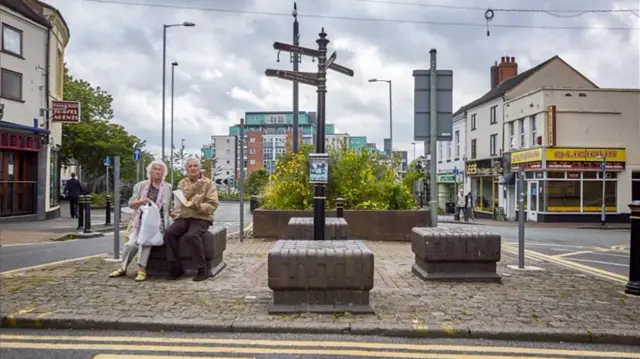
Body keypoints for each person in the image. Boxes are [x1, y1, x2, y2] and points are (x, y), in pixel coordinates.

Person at [108, 160, 172, 281]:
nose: (157, 171)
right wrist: (142, 201)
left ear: (164, 173)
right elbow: (131, 204)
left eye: (160, 169)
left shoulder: (168, 187)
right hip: (140, 221)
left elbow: (169, 207)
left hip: (157, 224)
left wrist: (173, 213)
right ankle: (123, 267)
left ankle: (141, 270)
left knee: (146, 243)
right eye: (155, 169)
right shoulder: (141, 186)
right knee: (131, 244)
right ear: (150, 171)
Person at [164, 157, 219, 282]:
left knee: (192, 235)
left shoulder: (209, 183)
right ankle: (175, 267)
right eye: (190, 166)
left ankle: (201, 268)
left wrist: (199, 207)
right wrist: (194, 187)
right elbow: (182, 197)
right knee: (169, 233)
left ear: (200, 168)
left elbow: (213, 204)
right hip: (185, 216)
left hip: (201, 217)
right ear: (186, 169)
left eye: (195, 165)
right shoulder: (183, 183)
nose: (193, 168)